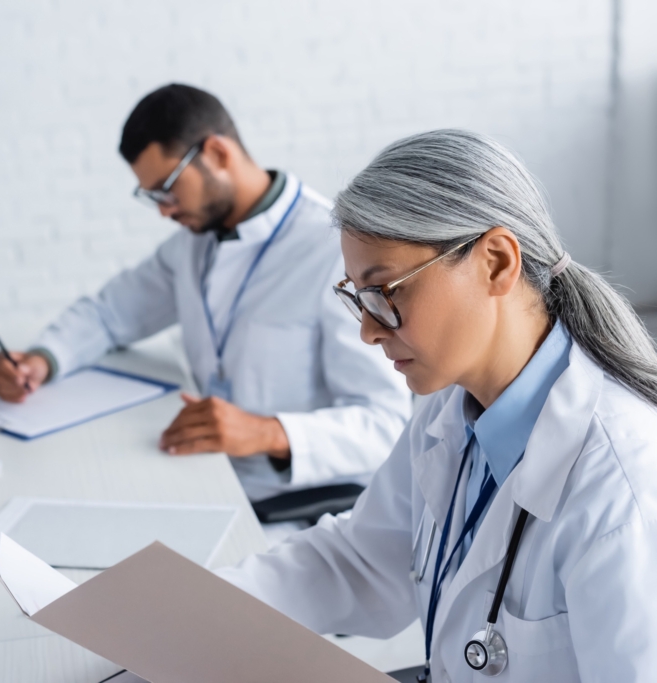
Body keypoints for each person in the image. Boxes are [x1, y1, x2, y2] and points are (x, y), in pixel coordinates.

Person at [216, 129, 657, 682]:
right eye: (357, 297)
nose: (369, 332)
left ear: (496, 262)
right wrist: (200, 606)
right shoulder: (451, 405)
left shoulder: (624, 487)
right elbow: (363, 560)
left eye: (387, 292)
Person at [0, 84, 411, 501]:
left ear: (218, 154)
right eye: (151, 195)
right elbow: (110, 313)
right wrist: (42, 360)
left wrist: (269, 432)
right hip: (208, 471)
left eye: (167, 188)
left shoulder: (332, 253)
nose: (163, 209)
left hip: (296, 502)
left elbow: (386, 423)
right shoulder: (194, 242)